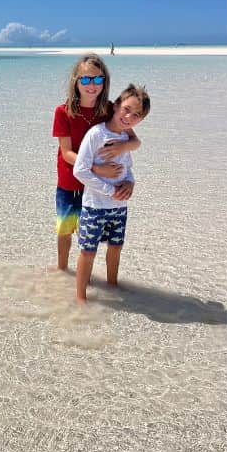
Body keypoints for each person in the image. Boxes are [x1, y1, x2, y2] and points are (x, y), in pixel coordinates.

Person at [52, 54, 141, 271]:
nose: (92, 85)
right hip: (69, 182)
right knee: (64, 231)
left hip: (97, 188)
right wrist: (96, 167)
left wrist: (122, 148)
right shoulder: (62, 112)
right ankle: (62, 273)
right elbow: (66, 153)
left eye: (98, 80)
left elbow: (135, 141)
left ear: (105, 82)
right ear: (76, 81)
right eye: (86, 79)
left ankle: (88, 282)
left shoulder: (109, 109)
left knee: (88, 242)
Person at [72, 84, 151, 302]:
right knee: (88, 252)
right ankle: (80, 299)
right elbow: (80, 170)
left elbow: (127, 169)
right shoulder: (96, 134)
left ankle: (113, 286)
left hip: (119, 208)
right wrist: (109, 190)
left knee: (116, 248)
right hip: (94, 206)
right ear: (116, 106)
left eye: (136, 115)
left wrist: (131, 184)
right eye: (126, 109)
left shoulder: (127, 140)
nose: (129, 116)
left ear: (140, 120)